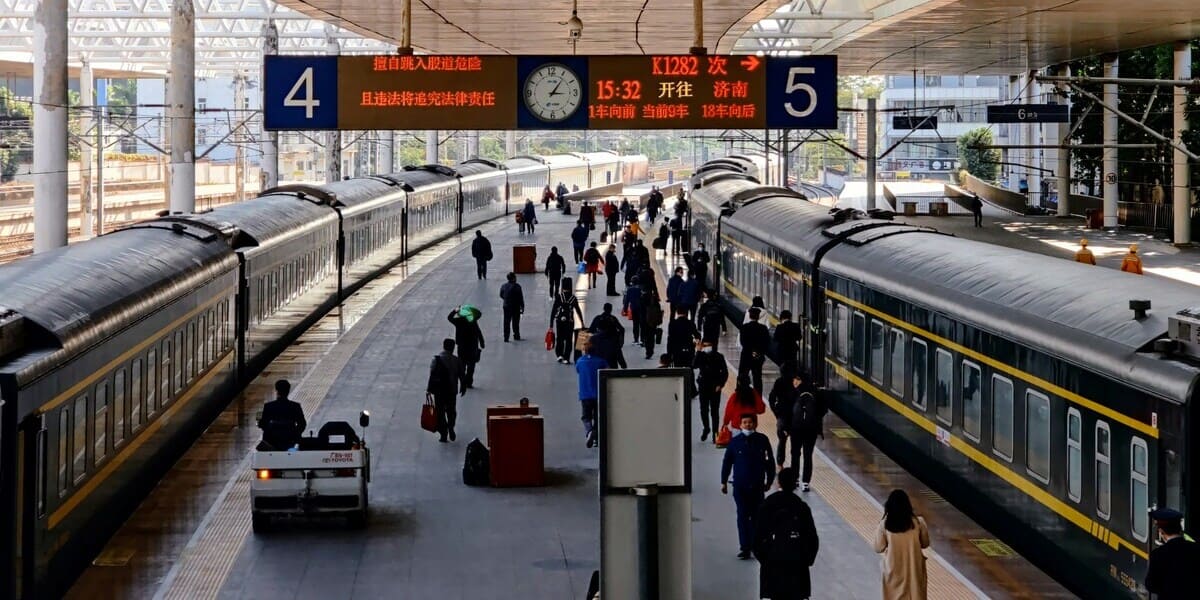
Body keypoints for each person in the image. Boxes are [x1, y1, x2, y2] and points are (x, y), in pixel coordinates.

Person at [753, 467, 820, 600]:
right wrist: (806, 561)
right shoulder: (802, 507)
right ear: (795, 484)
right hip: (798, 570)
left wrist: (765, 560)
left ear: (778, 483)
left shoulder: (767, 505)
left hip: (772, 571)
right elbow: (812, 539)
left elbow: (757, 538)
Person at [721, 413, 776, 559]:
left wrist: (769, 480)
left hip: (758, 485)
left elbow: (770, 461)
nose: (747, 425)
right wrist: (723, 481)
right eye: (744, 423)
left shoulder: (762, 440)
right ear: (740, 425)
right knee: (743, 515)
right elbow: (727, 462)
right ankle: (745, 547)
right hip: (740, 486)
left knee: (757, 516)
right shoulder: (735, 442)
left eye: (750, 422)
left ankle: (756, 545)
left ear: (755, 424)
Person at [873, 489, 931, 600]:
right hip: (914, 572)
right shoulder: (918, 522)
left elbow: (878, 547)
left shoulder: (885, 524)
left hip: (893, 573)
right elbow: (925, 543)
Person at [1145, 507, 1200, 599]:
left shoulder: (1158, 554)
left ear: (1161, 531)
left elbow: (1151, 585)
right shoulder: (1196, 549)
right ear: (1180, 529)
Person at [785, 379, 824, 492]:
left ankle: (795, 478)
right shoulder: (816, 393)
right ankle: (806, 482)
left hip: (796, 430)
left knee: (795, 454)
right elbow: (821, 412)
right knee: (808, 456)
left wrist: (787, 428)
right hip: (810, 431)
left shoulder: (794, 393)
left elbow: (788, 412)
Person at [426, 338, 467, 443]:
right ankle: (451, 426)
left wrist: (429, 389)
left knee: (439, 412)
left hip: (439, 391)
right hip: (451, 390)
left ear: (443, 346)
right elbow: (462, 375)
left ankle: (443, 433)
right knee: (451, 410)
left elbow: (432, 374)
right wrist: (463, 386)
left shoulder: (437, 359)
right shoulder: (456, 360)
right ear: (453, 348)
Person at [692, 340, 729, 441]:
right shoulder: (701, 355)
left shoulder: (719, 356)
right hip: (703, 386)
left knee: (714, 411)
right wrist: (698, 351)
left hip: (715, 387)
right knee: (703, 409)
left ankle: (715, 432)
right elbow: (694, 365)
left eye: (708, 345)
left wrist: (721, 384)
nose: (706, 347)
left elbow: (725, 372)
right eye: (704, 345)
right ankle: (706, 428)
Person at [575, 342, 608, 448]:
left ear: (585, 350)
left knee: (586, 416)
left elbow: (578, 371)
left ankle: (589, 431)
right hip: (599, 393)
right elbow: (608, 371)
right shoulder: (601, 361)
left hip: (585, 394)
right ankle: (596, 437)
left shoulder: (580, 361)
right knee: (598, 416)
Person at [259, 379, 306, 450]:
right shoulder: (295, 406)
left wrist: (271, 431)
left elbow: (263, 424)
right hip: (290, 441)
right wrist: (295, 433)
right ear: (288, 391)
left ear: (276, 391)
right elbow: (302, 424)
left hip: (272, 442)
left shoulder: (268, 406)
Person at [447, 306, 485, 388]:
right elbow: (478, 331)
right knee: (471, 366)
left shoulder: (459, 321)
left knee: (462, 365)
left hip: (462, 347)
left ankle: (463, 381)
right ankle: (469, 382)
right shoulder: (472, 321)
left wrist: (455, 310)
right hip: (473, 347)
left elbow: (449, 318)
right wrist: (482, 342)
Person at [551, 277, 585, 364]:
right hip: (569, 322)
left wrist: (551, 325)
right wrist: (582, 322)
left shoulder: (559, 297)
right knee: (569, 340)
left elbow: (554, 310)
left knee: (560, 338)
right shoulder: (573, 298)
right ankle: (566, 357)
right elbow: (578, 311)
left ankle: (559, 355)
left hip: (559, 321)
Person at [740, 307, 771, 392]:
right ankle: (758, 398)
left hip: (746, 355)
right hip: (758, 356)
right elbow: (766, 343)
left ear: (749, 316)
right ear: (758, 317)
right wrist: (757, 352)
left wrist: (750, 351)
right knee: (757, 378)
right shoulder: (763, 328)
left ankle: (741, 394)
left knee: (743, 375)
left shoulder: (744, 327)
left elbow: (743, 342)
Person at [589, 303, 627, 369]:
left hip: (599, 367)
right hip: (612, 366)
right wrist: (621, 341)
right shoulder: (613, 319)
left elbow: (590, 330)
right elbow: (622, 329)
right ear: (611, 309)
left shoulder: (597, 319)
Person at [499, 272, 525, 342]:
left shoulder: (503, 286)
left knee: (506, 322)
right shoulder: (517, 286)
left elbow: (501, 295)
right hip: (515, 306)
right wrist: (522, 306)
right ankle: (516, 335)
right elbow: (520, 298)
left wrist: (506, 300)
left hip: (506, 306)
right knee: (515, 322)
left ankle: (506, 337)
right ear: (513, 278)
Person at [642, 287, 665, 360]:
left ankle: (647, 350)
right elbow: (658, 310)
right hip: (653, 322)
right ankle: (650, 351)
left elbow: (640, 309)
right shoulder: (654, 299)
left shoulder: (642, 298)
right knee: (651, 337)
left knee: (646, 336)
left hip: (644, 321)